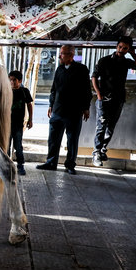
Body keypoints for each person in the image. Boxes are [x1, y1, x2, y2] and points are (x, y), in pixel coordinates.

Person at [37, 45, 91, 175]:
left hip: (74, 111)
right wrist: (51, 104)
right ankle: (51, 162)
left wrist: (86, 108)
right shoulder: (59, 69)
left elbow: (86, 90)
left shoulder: (81, 69)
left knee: (72, 139)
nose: (60, 56)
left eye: (63, 53)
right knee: (53, 139)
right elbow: (54, 88)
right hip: (57, 110)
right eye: (60, 53)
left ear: (71, 55)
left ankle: (70, 165)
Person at [91, 36, 136, 166]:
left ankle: (103, 149)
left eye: (125, 48)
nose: (121, 50)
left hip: (118, 98)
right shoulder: (104, 60)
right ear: (116, 46)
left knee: (111, 126)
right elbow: (94, 77)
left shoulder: (126, 62)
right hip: (103, 98)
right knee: (101, 125)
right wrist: (98, 94)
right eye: (120, 47)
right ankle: (96, 151)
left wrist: (133, 53)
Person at [8, 70, 33, 175]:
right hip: (7, 124)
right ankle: (6, 165)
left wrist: (30, 119)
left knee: (18, 145)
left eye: (15, 80)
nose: (12, 82)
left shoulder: (24, 91)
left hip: (18, 124)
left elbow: (29, 105)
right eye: (10, 80)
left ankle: (20, 165)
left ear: (20, 81)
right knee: (5, 145)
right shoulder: (7, 91)